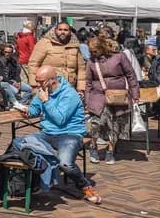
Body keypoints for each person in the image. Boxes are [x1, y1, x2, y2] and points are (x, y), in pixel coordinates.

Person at [20, 65, 102, 204]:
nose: (38, 84)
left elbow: (60, 119)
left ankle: (85, 186)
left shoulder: (69, 94)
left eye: (41, 81)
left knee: (65, 163)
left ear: (52, 80)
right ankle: (35, 184)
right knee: (21, 144)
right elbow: (35, 108)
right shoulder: (43, 91)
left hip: (69, 134)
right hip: (47, 133)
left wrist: (46, 101)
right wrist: (28, 111)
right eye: (36, 81)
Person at [85, 36, 140, 165]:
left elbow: (131, 75)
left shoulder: (119, 57)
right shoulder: (91, 61)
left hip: (118, 95)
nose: (93, 53)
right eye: (91, 51)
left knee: (115, 125)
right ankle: (93, 146)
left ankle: (110, 151)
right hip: (98, 95)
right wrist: (87, 101)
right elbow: (88, 82)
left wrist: (135, 93)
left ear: (102, 47)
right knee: (96, 124)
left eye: (95, 51)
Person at [28, 22, 86, 93]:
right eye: (60, 29)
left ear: (70, 32)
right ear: (55, 30)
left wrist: (81, 89)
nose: (62, 32)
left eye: (65, 30)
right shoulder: (44, 43)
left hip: (69, 88)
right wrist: (35, 85)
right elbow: (33, 64)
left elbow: (81, 69)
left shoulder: (75, 46)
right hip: (49, 87)